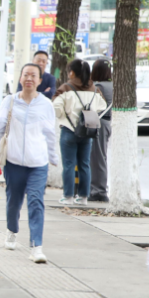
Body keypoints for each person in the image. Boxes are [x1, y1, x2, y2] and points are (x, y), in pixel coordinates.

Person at [0, 64, 59, 263]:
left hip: (38, 163)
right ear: (20, 78)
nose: (29, 78)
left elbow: (50, 134)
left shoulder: (46, 104)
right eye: (26, 74)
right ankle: (12, 230)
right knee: (14, 201)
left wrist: (53, 157)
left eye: (33, 75)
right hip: (14, 161)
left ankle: (36, 246)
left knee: (36, 201)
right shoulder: (10, 101)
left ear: (39, 80)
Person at [54, 59, 107, 206]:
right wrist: (91, 112)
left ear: (72, 72)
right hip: (87, 131)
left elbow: (56, 106)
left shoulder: (66, 88)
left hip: (69, 130)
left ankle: (68, 196)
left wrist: (63, 116)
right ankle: (83, 197)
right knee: (85, 164)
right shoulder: (94, 89)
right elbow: (102, 105)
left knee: (69, 164)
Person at [89, 59, 114, 202]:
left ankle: (99, 191)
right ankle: (99, 189)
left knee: (97, 158)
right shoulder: (114, 85)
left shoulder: (99, 86)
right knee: (101, 156)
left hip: (99, 123)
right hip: (109, 122)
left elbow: (92, 107)